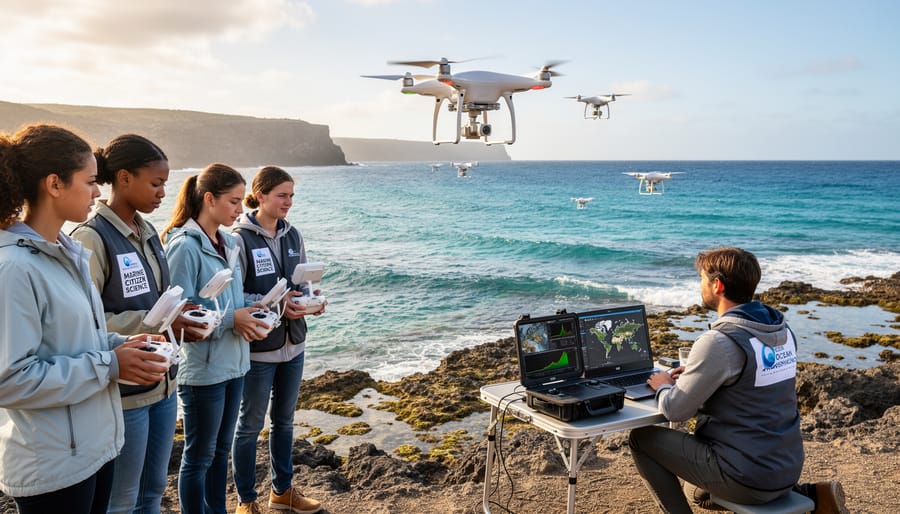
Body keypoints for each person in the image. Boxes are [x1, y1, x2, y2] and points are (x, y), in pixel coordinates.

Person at [0, 124, 168, 514]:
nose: (97, 192)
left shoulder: (69, 253)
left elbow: (79, 341)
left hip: (96, 448)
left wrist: (123, 347)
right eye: (91, 181)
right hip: (54, 465)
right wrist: (110, 365)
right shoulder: (14, 268)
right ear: (55, 184)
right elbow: (9, 380)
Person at [629, 246, 849, 514]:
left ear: (717, 284)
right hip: (787, 467)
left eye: (702, 278)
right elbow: (750, 389)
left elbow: (675, 410)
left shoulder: (719, 342)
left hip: (746, 476)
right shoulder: (781, 331)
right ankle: (811, 495)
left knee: (641, 439)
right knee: (695, 492)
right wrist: (700, 378)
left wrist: (663, 384)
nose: (700, 285)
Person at [70, 134, 207, 514]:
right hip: (124, 394)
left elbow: (158, 299)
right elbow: (84, 321)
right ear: (125, 178)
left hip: (163, 386)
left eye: (165, 183)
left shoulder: (149, 233)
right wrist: (153, 322)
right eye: (156, 182)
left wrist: (182, 314)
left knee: (152, 493)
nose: (164, 192)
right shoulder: (92, 237)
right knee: (122, 499)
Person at [162, 163, 269, 514]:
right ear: (209, 199)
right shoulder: (184, 247)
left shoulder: (230, 242)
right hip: (203, 370)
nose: (241, 210)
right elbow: (177, 316)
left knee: (220, 453)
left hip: (236, 363)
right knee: (198, 457)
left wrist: (265, 305)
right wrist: (230, 321)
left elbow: (233, 301)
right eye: (234, 202)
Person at [231, 166, 324, 514]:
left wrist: (310, 299)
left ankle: (282, 492)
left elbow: (299, 282)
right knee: (250, 426)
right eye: (282, 195)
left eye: (291, 196)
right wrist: (278, 303)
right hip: (259, 350)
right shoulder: (239, 239)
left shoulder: (293, 234)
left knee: (285, 422)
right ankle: (246, 501)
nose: (288, 202)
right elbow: (235, 295)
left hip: (294, 345)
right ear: (260, 194)